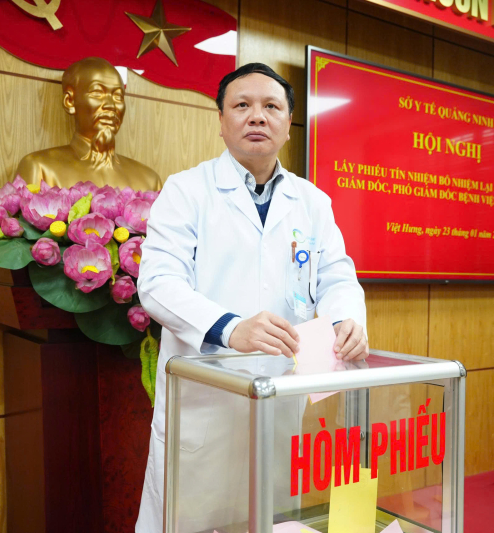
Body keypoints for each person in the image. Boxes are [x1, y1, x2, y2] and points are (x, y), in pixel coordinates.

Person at [135, 63, 368, 532]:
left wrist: (345, 320)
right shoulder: (186, 191)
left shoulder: (312, 202)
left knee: (270, 519)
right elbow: (158, 282)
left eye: (271, 106)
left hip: (280, 399)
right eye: (242, 105)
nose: (257, 116)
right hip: (205, 402)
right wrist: (230, 328)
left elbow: (336, 276)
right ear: (221, 121)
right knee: (191, 520)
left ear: (288, 123)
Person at [14, 57, 161, 190]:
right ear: (70, 101)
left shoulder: (149, 181)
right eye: (97, 93)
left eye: (118, 96)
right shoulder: (40, 168)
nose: (110, 105)